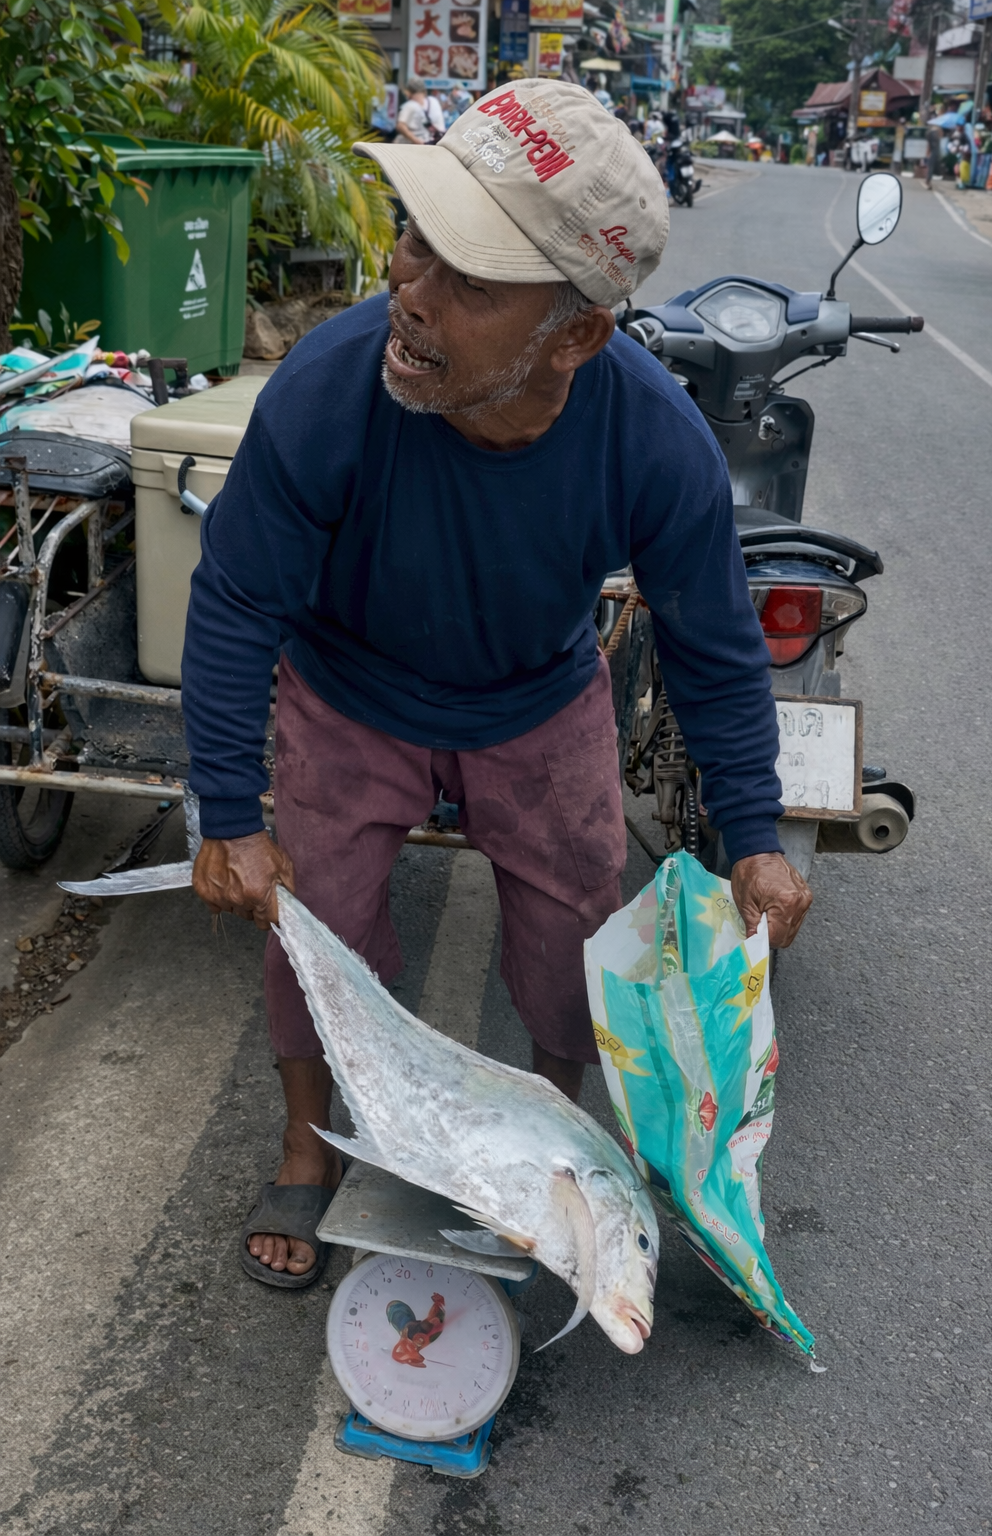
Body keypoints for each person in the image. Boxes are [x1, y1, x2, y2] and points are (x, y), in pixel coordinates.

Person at [183, 79, 812, 1287]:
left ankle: (551, 1143)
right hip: (347, 688)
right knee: (314, 924)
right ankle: (308, 1142)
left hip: (537, 694)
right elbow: (236, 602)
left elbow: (714, 649)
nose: (406, 292)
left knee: (576, 931)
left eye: (464, 282)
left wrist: (754, 835)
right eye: (416, 241)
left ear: (575, 332)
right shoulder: (328, 391)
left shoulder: (653, 441)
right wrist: (225, 813)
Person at [395, 78, 432, 145]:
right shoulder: (410, 105)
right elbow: (400, 126)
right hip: (408, 147)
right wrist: (416, 140)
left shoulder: (417, 106)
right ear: (424, 92)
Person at [924, 118, 943, 189]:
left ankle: (928, 181)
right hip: (933, 151)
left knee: (931, 167)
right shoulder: (933, 132)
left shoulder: (932, 132)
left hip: (934, 151)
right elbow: (929, 144)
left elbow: (929, 144)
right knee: (930, 167)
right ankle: (928, 181)